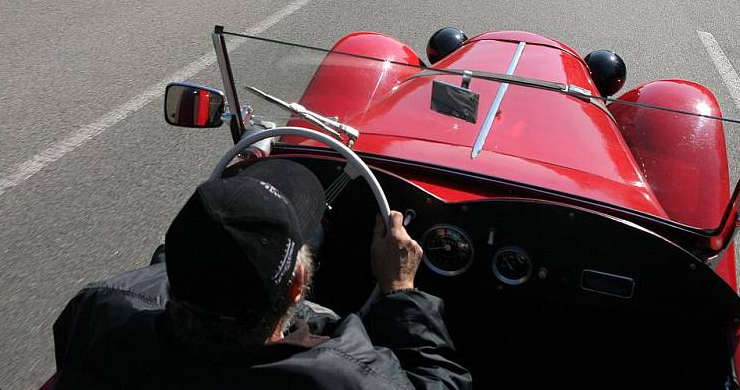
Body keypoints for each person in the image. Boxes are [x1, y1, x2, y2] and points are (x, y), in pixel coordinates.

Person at [51, 159, 471, 389]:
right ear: (295, 290)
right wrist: (400, 291)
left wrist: (241, 197)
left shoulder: (100, 307)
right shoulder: (346, 375)